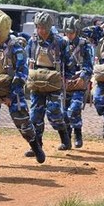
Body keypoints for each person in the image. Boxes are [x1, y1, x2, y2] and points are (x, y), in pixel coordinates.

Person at [0, 11, 44, 165]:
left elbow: (22, 73)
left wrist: (12, 96)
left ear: (6, 30)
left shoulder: (16, 48)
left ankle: (36, 147)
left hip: (13, 91)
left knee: (23, 122)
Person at [26, 12, 72, 155]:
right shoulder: (32, 42)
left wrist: (68, 78)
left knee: (54, 112)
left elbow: (69, 63)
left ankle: (64, 136)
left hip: (54, 81)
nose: (41, 31)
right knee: (35, 115)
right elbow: (27, 60)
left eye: (44, 28)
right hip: (37, 81)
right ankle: (37, 145)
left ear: (49, 27)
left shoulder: (60, 42)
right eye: (39, 27)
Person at [60, 18, 94, 148]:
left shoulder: (83, 44)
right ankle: (67, 139)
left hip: (79, 82)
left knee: (74, 109)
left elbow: (89, 65)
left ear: (76, 31)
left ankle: (78, 134)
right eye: (67, 32)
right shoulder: (61, 44)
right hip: (64, 83)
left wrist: (83, 76)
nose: (69, 35)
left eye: (72, 32)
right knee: (64, 113)